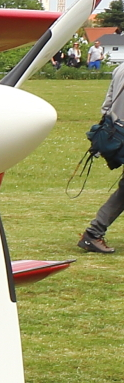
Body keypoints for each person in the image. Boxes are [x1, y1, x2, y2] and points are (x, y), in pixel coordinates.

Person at [79, 63, 124, 253]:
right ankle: (93, 232)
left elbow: (107, 105)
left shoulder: (120, 68)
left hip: (117, 130)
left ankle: (94, 232)